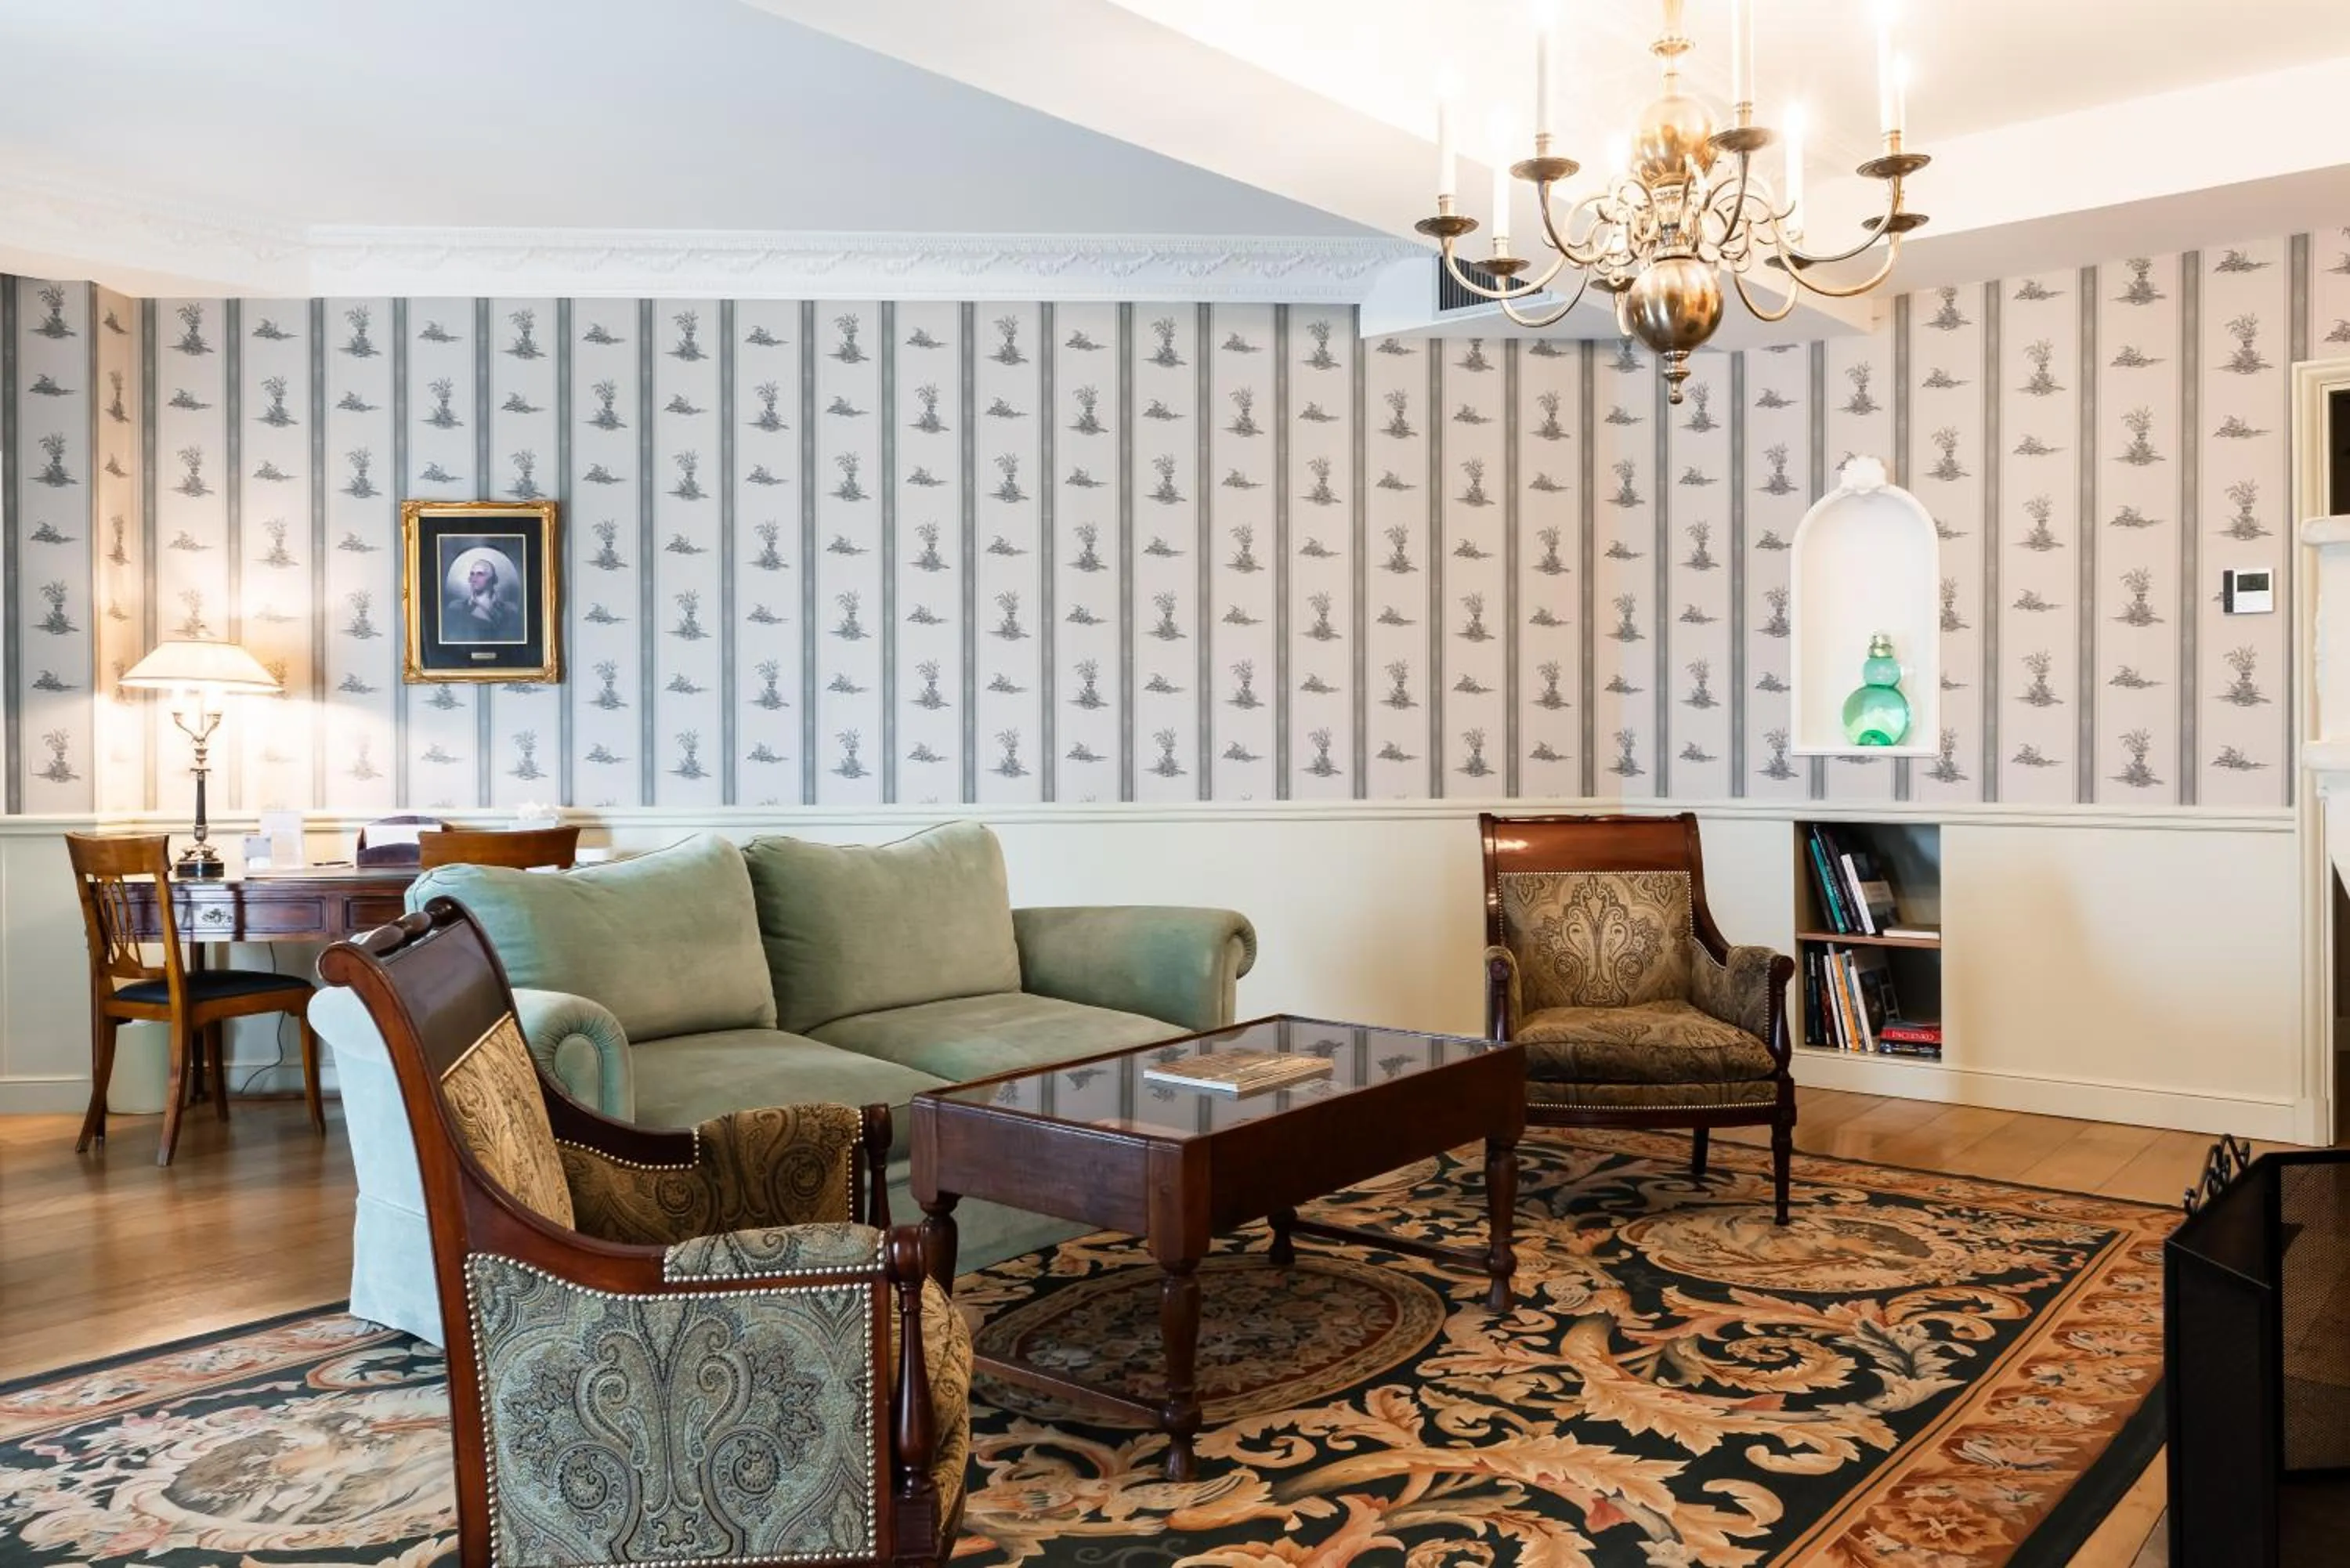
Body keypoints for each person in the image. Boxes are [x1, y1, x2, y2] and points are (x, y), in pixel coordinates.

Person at [443, 552, 523, 643]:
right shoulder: (455, 608)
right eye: (472, 574)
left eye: (480, 574)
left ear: (494, 579)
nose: (474, 579)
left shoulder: (510, 610)